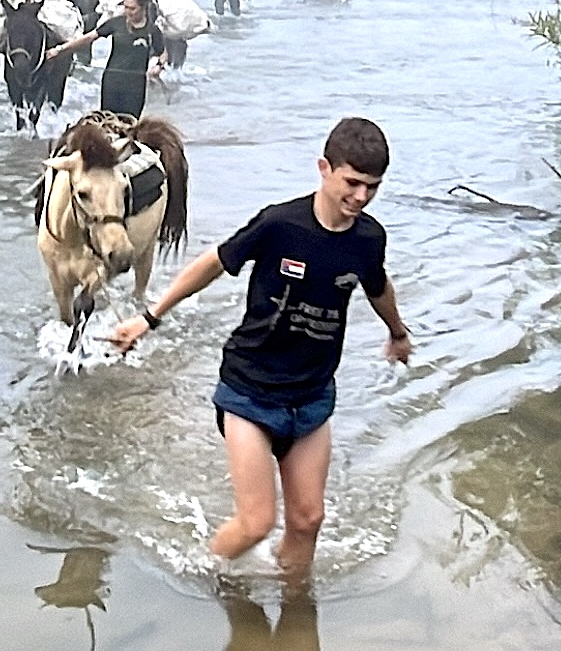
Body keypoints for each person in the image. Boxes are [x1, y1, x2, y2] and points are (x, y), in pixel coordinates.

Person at [110, 117, 412, 578]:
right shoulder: (280, 224)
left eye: (373, 187)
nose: (361, 197)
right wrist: (149, 318)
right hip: (250, 390)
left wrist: (397, 331)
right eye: (352, 183)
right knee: (256, 523)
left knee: (309, 520)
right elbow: (214, 261)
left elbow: (377, 285)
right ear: (324, 168)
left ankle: (294, 605)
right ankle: (212, 579)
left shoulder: (369, 239)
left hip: (311, 397)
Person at [47, 0, 167, 119]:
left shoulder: (152, 31)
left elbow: (163, 53)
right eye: (125, 7)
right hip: (112, 82)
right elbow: (88, 37)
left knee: (130, 125)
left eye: (132, 8)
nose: (127, 12)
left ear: (143, 8)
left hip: (136, 86)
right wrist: (59, 50)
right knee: (108, 122)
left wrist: (159, 66)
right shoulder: (116, 23)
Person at [56, 0, 101, 65]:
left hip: (83, 36)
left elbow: (98, 14)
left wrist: (86, 19)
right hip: (62, 38)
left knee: (83, 67)